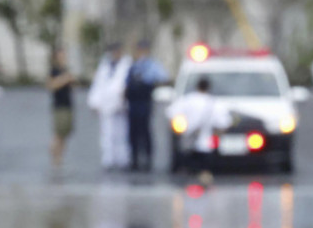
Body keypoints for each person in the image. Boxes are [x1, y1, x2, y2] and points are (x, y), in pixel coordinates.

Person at [165, 76, 231, 185]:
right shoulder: (214, 103)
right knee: (204, 173)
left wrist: (180, 128)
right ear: (209, 88)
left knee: (187, 173)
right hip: (206, 146)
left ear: (197, 86)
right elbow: (224, 123)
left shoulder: (186, 100)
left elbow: (171, 113)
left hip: (188, 143)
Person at [125, 39, 169, 172]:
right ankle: (134, 159)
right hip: (133, 103)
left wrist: (148, 80)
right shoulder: (133, 66)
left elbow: (163, 77)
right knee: (133, 132)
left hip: (145, 102)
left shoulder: (152, 65)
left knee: (145, 131)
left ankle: (148, 159)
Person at [87, 42, 132, 170]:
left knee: (122, 134)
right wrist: (94, 102)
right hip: (106, 106)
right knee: (107, 134)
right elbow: (98, 85)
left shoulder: (127, 65)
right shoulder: (105, 66)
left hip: (121, 107)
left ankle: (123, 159)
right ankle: (108, 159)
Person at [45, 48, 75, 169]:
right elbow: (50, 85)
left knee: (65, 133)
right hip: (59, 106)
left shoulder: (65, 69)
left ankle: (60, 157)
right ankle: (54, 156)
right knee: (58, 133)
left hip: (68, 105)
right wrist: (65, 79)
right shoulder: (54, 70)